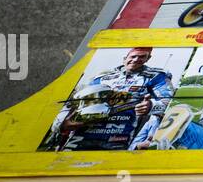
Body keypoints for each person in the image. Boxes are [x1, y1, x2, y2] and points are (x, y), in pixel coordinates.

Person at [45, 47, 174, 151]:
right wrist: (62, 124)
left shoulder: (157, 76)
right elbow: (77, 101)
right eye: (133, 56)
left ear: (148, 58)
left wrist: (151, 105)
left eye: (142, 56)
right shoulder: (102, 76)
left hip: (119, 137)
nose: (136, 60)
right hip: (81, 135)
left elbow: (169, 101)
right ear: (125, 58)